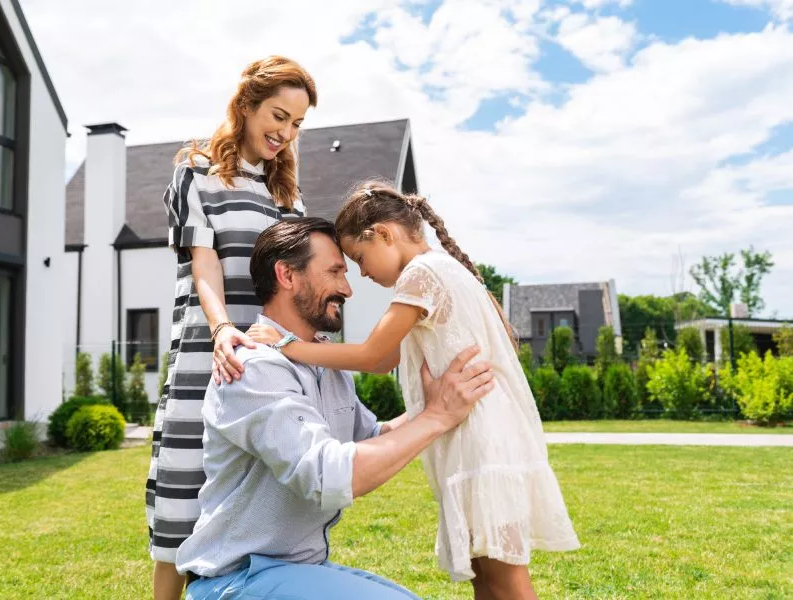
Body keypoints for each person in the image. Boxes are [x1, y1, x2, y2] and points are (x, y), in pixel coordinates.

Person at [249, 183, 581, 600]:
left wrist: (287, 346)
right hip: (478, 435)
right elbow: (388, 360)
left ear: (383, 234)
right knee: (488, 575)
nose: (363, 275)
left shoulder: (421, 275)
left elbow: (373, 356)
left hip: (480, 440)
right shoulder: (442, 271)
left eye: (360, 259)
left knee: (507, 579)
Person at [177, 218, 497, 600]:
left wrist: (437, 405)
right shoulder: (252, 369)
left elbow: (372, 439)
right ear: (287, 275)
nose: (347, 289)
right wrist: (435, 417)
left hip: (297, 569)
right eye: (335, 272)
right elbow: (328, 476)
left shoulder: (324, 363)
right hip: (235, 580)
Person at [146, 55, 317, 600]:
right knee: (180, 520)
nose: (285, 132)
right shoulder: (195, 172)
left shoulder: (288, 198)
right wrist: (222, 331)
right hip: (207, 358)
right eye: (278, 115)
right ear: (245, 106)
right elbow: (206, 264)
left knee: (259, 523)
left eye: (296, 124)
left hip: (268, 372)